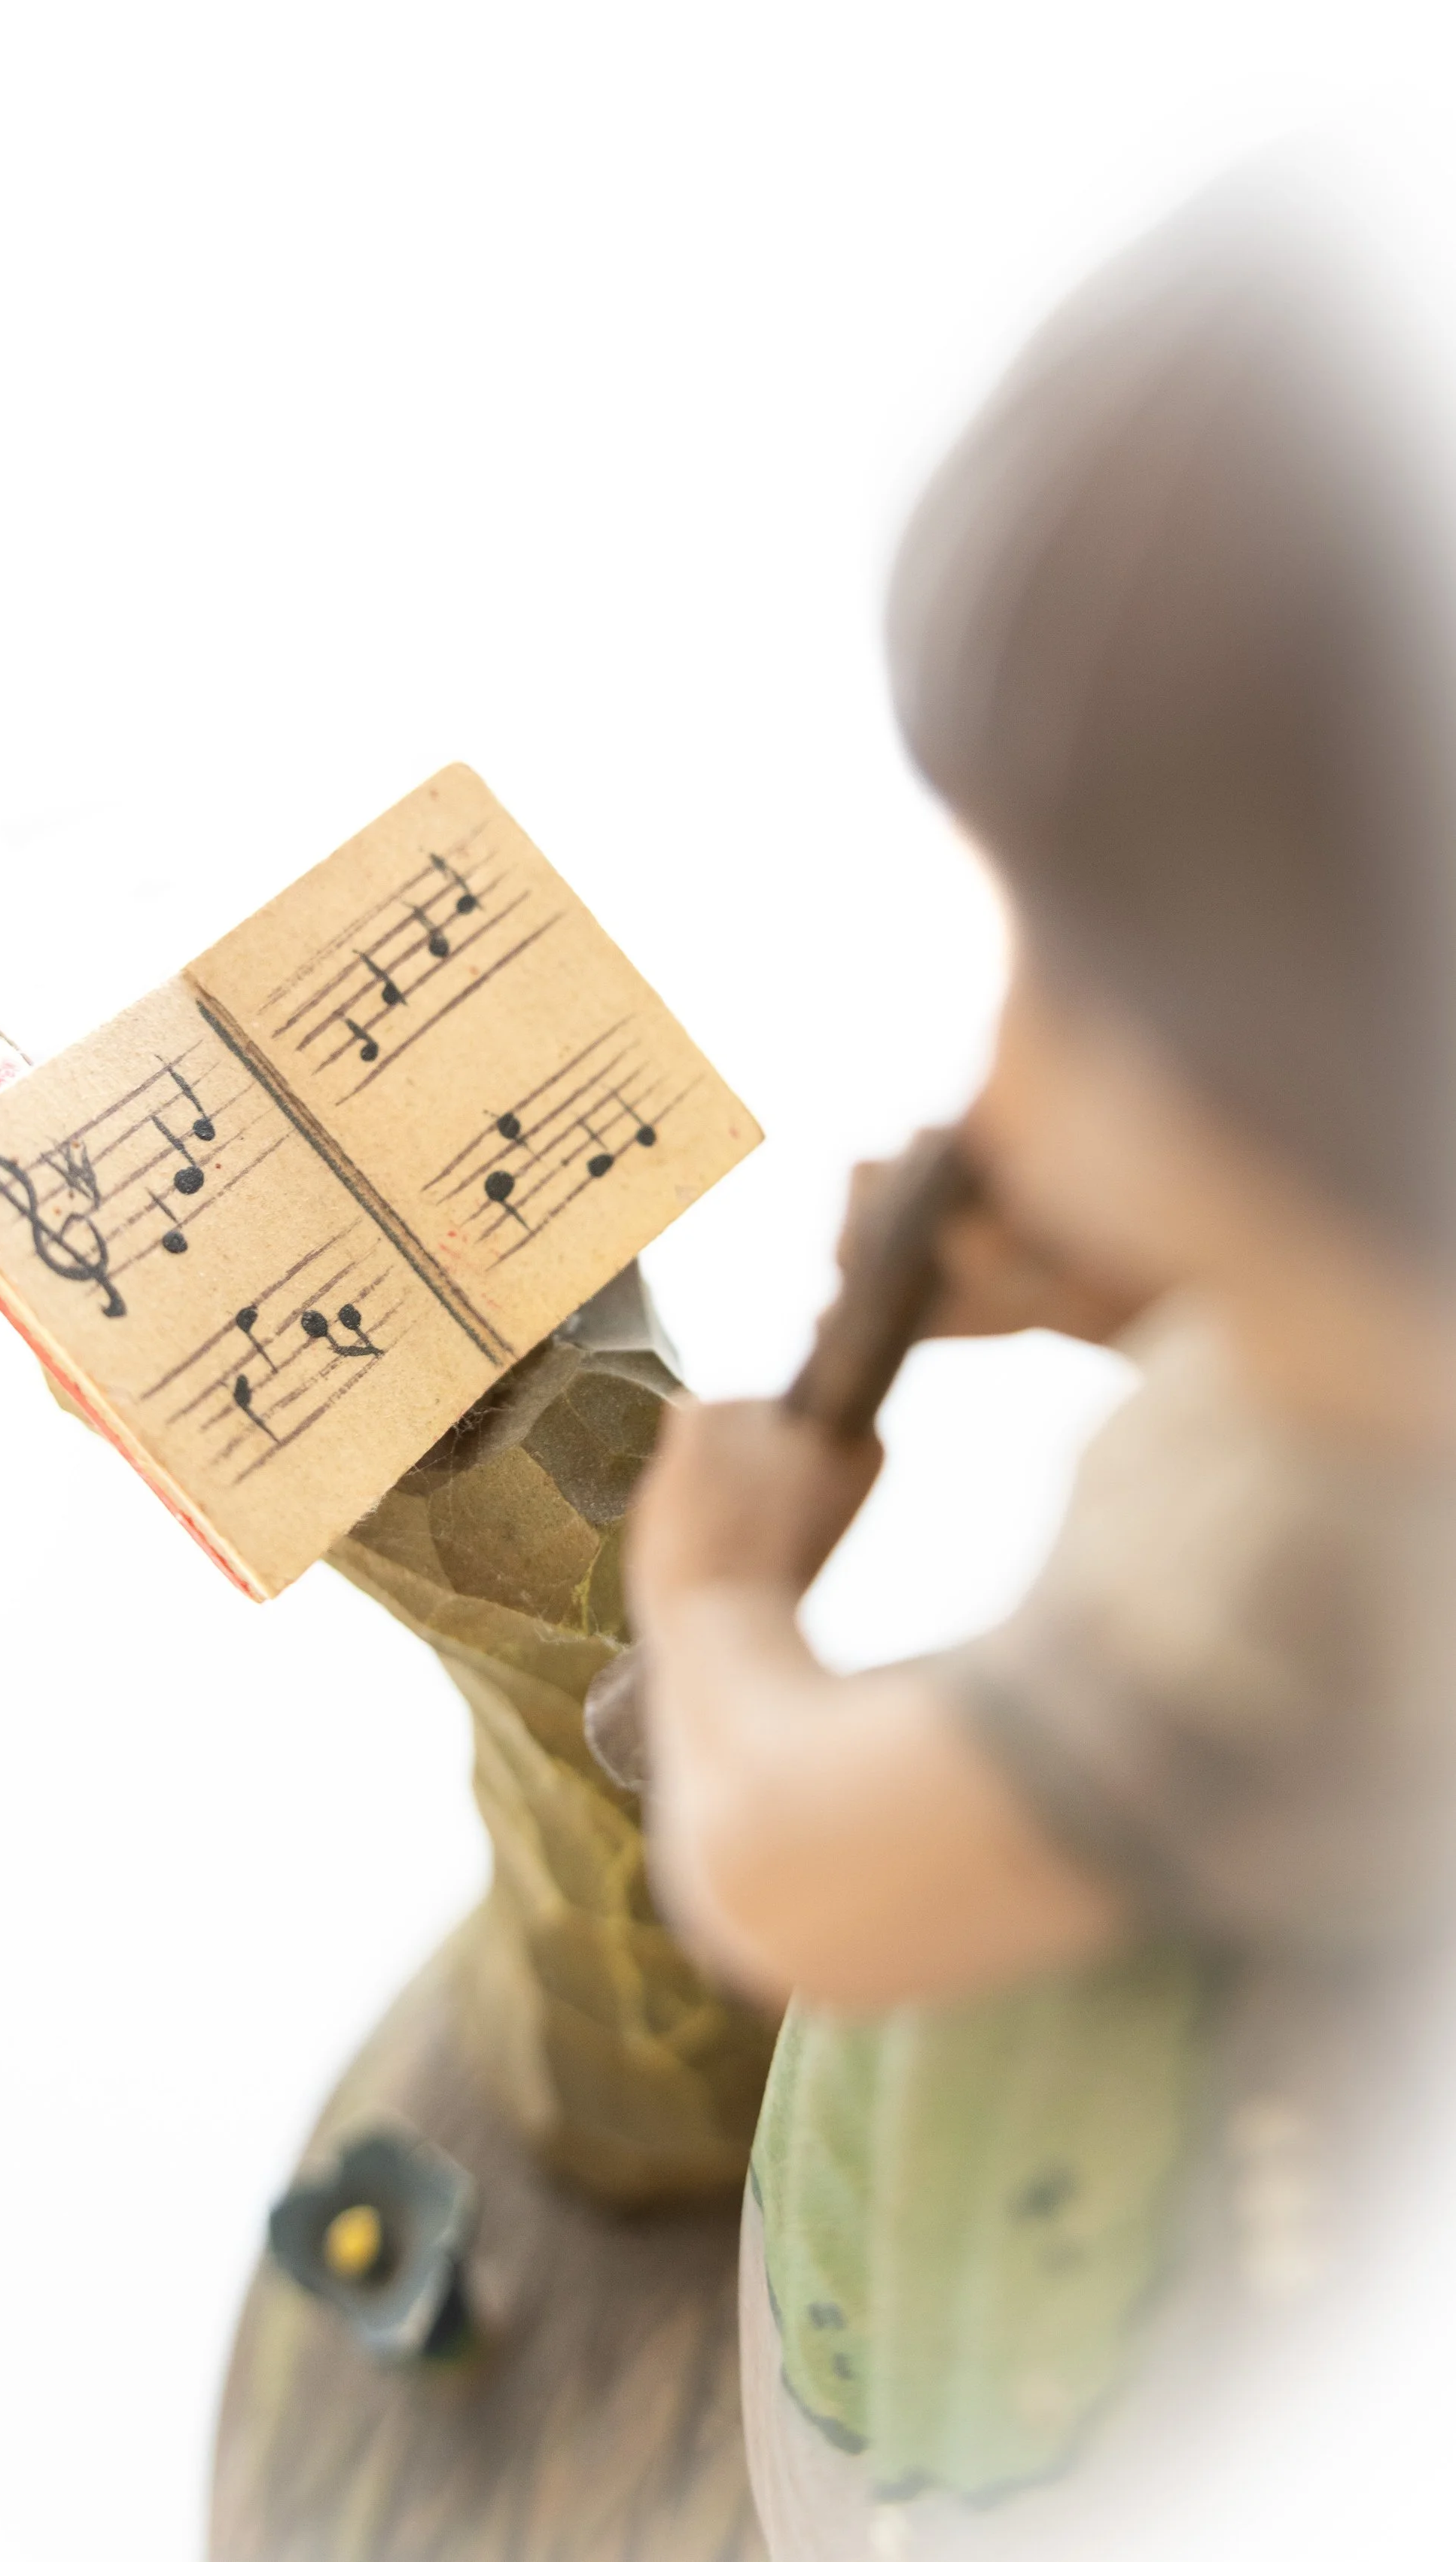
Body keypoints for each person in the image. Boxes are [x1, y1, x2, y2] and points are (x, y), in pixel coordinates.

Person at [627, 181, 1456, 2559]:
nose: (1001, 1061)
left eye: (1104, 1003)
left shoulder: (1301, 1602)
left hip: (1084, 2332)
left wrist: (717, 1611)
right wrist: (1161, 1286)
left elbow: (808, 1872)